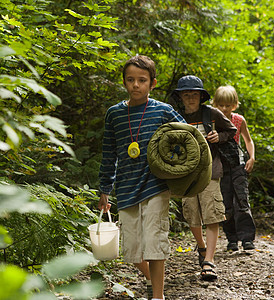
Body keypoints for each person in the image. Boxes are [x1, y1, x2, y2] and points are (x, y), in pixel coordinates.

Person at [98, 55, 185, 300]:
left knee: (155, 243)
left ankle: (158, 296)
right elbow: (109, 153)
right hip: (125, 188)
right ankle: (149, 278)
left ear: (153, 83)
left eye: (142, 80)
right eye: (131, 80)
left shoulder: (163, 110)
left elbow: (187, 137)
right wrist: (105, 189)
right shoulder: (114, 114)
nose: (136, 85)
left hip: (155, 186)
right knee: (132, 250)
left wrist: (173, 160)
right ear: (124, 82)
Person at [171, 75, 237, 281]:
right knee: (191, 214)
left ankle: (209, 260)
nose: (191, 98)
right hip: (185, 173)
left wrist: (220, 137)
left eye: (195, 94)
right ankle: (201, 246)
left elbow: (231, 130)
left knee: (212, 214)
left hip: (211, 171)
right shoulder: (174, 116)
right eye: (187, 94)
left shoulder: (212, 113)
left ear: (201, 96)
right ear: (181, 97)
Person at [213, 85, 257, 251]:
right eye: (221, 105)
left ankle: (247, 239)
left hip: (238, 165)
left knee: (242, 200)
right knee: (225, 203)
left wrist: (251, 157)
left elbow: (248, 140)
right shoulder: (212, 121)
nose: (224, 109)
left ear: (235, 105)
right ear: (215, 104)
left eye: (228, 106)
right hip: (220, 167)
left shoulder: (239, 120)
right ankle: (231, 239)